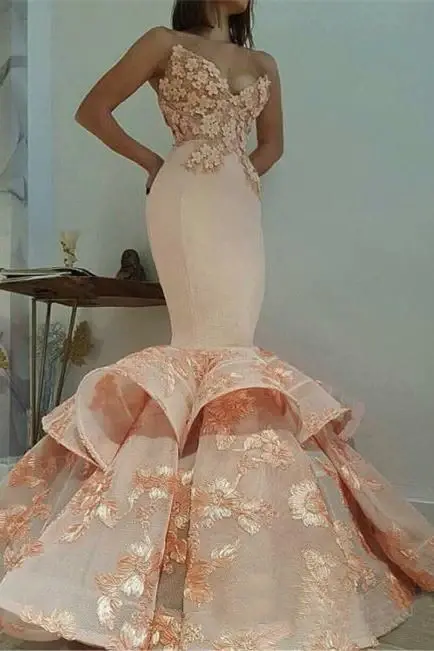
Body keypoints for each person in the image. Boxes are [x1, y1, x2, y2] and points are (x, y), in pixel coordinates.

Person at [0, 1, 433, 649]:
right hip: (185, 192)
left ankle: (234, 531)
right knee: (200, 342)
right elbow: (94, 110)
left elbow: (274, 142)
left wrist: (244, 170)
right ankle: (157, 537)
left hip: (237, 199)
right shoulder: (162, 41)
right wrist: (156, 163)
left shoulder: (264, 62)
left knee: (236, 344)